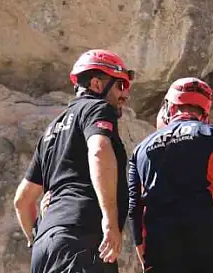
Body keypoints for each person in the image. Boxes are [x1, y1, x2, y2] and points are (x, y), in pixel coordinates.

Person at [13, 50, 135, 273]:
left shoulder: (52, 130)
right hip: (82, 237)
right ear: (97, 84)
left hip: (45, 249)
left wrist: (38, 237)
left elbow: (22, 201)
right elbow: (98, 150)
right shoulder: (97, 108)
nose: (125, 94)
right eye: (120, 85)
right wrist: (109, 221)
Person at [129, 77, 213, 273]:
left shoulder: (140, 150)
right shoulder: (209, 134)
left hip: (162, 249)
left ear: (170, 108)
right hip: (208, 237)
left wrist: (145, 259)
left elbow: (134, 209)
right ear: (204, 112)